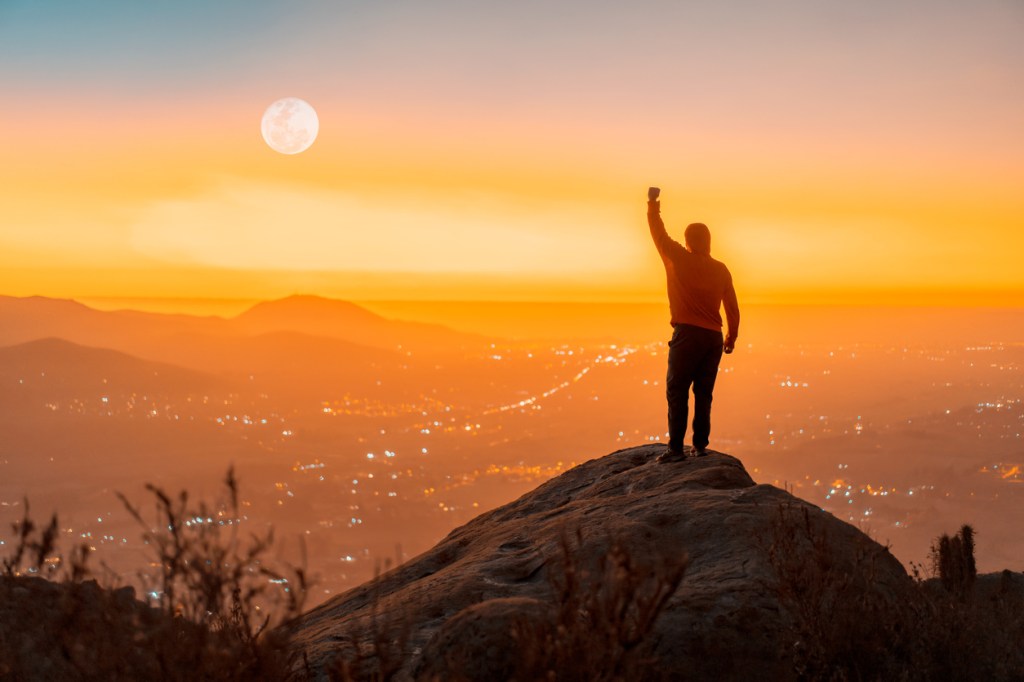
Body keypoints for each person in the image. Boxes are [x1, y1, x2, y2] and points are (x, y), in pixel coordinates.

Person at [647, 187, 740, 461]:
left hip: (687, 335)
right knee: (704, 393)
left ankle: (676, 449)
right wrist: (731, 337)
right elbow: (732, 308)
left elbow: (658, 233)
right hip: (713, 339)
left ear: (687, 241)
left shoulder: (678, 258)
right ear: (708, 242)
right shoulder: (721, 269)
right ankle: (699, 446)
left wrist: (652, 203)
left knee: (677, 390)